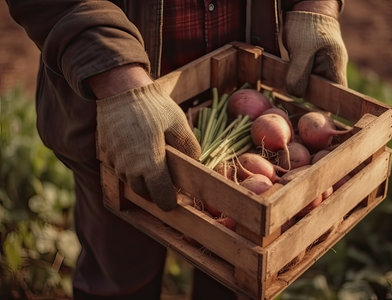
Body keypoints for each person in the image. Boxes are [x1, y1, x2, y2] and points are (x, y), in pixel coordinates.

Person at [6, 0, 348, 299]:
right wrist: (115, 78)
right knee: (119, 275)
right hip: (114, 117)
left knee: (232, 275)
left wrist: (315, 4)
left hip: (238, 85)